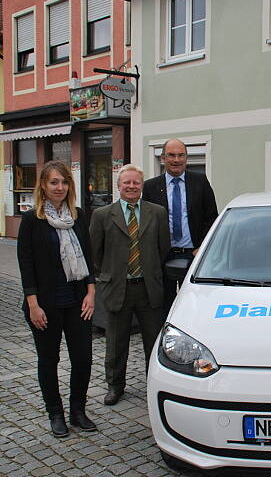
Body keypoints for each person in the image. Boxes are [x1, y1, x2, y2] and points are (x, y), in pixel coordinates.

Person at [17, 161, 97, 437]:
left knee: (83, 359)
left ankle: (78, 411)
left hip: (78, 301)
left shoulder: (78, 215)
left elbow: (88, 256)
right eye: (54, 182)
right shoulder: (32, 220)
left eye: (64, 182)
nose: (59, 187)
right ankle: (55, 413)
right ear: (43, 185)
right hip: (45, 304)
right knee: (49, 360)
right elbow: (26, 264)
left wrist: (91, 293)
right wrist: (33, 304)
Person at [90, 164, 170, 406]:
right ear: (119, 186)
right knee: (116, 342)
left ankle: (154, 385)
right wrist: (110, 275)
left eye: (136, 182)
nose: (132, 186)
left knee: (153, 341)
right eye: (127, 182)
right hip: (117, 288)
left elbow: (163, 248)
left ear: (142, 185)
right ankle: (115, 386)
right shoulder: (103, 215)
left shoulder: (157, 212)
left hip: (148, 288)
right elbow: (95, 252)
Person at [142, 139, 218, 317]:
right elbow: (146, 223)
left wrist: (201, 248)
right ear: (163, 158)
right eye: (171, 155)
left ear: (186, 158)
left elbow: (212, 217)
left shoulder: (200, 181)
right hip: (163, 256)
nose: (176, 160)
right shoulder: (151, 187)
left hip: (193, 255)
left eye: (180, 155)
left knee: (194, 305)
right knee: (164, 307)